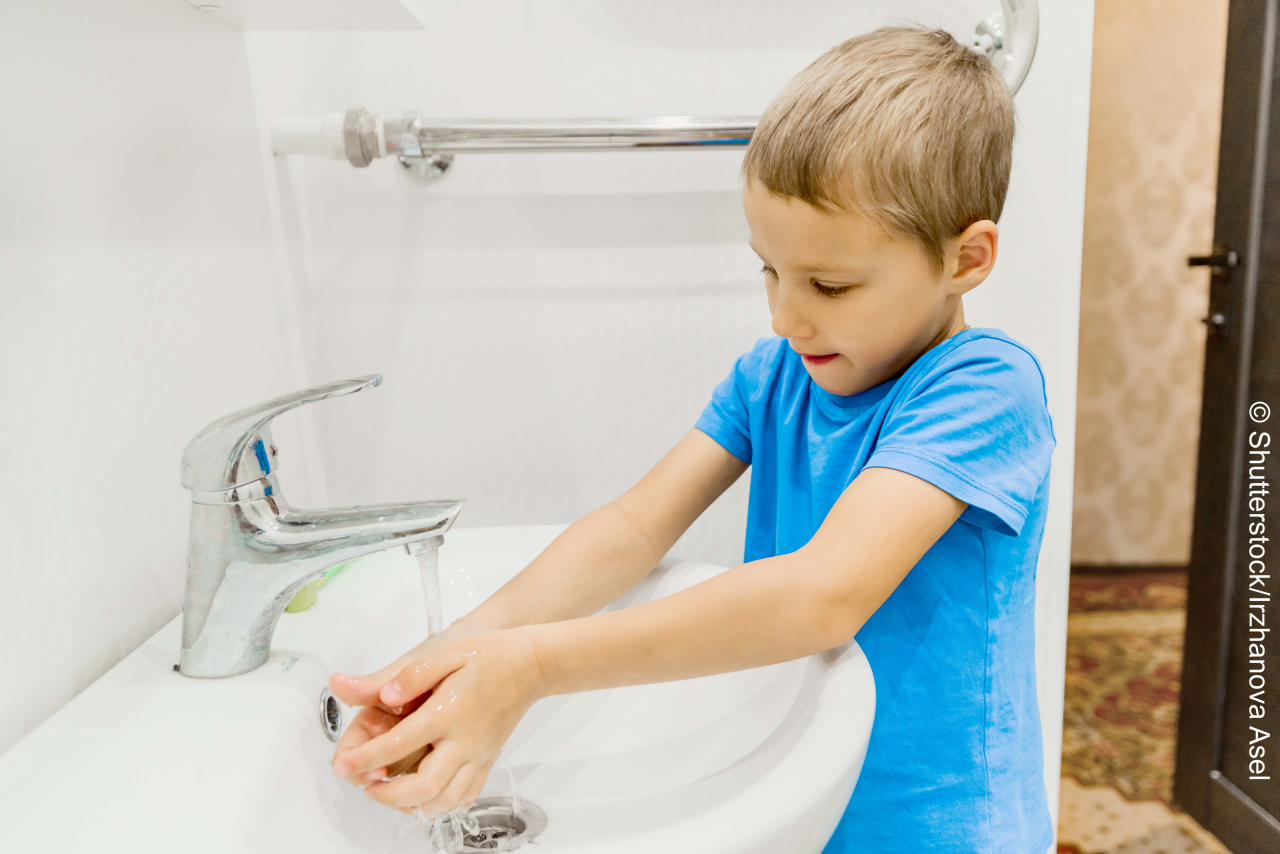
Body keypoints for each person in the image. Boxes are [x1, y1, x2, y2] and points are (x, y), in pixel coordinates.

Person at [328, 25, 1056, 853]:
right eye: (769, 272)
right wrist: (469, 644)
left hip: (941, 828)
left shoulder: (985, 389)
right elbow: (633, 528)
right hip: (808, 792)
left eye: (829, 284)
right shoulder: (779, 373)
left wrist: (530, 667)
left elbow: (821, 595)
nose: (786, 316)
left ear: (966, 258)